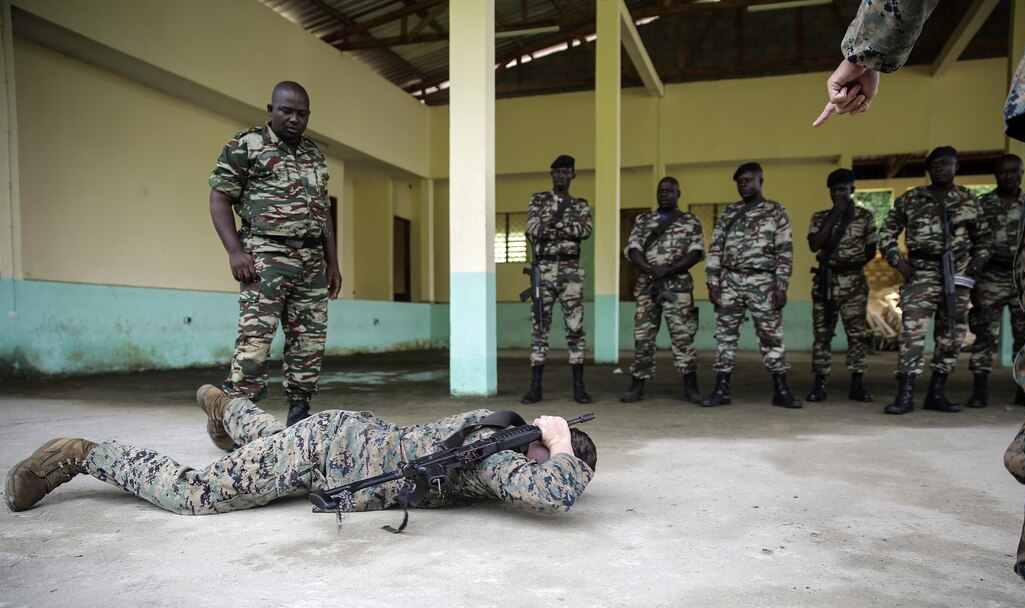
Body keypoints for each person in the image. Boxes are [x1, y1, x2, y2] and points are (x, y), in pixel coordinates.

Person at [815, 0, 1025, 608]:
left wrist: (869, 49)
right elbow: (889, 242)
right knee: (921, 340)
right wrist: (910, 271)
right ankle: (911, 391)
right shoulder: (906, 206)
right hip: (927, 277)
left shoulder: (968, 204)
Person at [4, 386, 596, 517]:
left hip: (342, 436)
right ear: (545, 448)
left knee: (268, 443)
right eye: (555, 452)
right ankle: (83, 454)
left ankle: (226, 406)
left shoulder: (500, 430)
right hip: (328, 453)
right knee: (198, 494)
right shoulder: (502, 454)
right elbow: (555, 491)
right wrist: (562, 445)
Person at [209, 81, 342, 432]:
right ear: (271, 110)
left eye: (302, 113)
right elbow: (220, 198)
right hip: (264, 255)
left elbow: (324, 211)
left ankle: (299, 413)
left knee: (309, 342)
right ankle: (236, 417)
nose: (295, 119)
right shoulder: (246, 146)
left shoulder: (314, 155)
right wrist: (234, 251)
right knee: (255, 341)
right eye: (287, 111)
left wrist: (333, 263)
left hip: (311, 260)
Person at [876, 146, 990, 415]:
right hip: (921, 272)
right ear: (928, 169)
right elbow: (887, 233)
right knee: (913, 333)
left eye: (946, 163)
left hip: (957, 274)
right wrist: (898, 262)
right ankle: (905, 394)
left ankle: (937, 392)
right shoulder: (910, 199)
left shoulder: (969, 200)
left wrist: (977, 262)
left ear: (956, 167)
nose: (941, 168)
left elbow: (985, 238)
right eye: (936, 164)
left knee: (952, 334)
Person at [704, 162, 802, 408]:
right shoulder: (729, 213)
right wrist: (713, 282)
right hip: (730, 281)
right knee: (725, 338)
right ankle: (721, 389)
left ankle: (781, 390)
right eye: (740, 181)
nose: (743, 184)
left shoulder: (775, 211)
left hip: (764, 282)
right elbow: (715, 247)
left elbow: (785, 250)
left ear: (760, 181)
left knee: (771, 336)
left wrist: (781, 285)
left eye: (748, 180)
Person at [620, 177, 707, 405]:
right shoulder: (644, 220)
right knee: (643, 337)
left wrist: (667, 269)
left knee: (683, 336)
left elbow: (696, 252)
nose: (664, 194)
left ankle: (691, 385)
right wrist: (650, 270)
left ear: (679, 193)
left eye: (669, 191)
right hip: (648, 287)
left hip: (677, 288)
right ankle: (637, 384)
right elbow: (633, 249)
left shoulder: (690, 221)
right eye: (661, 190)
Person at [520, 155, 594, 406]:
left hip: (571, 271)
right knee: (540, 327)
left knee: (575, 328)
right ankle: (535, 387)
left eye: (567, 172)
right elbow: (532, 228)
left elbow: (585, 231)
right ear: (552, 174)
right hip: (545, 270)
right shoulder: (538, 200)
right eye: (558, 172)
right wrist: (566, 227)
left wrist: (555, 223)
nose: (562, 176)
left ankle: (579, 387)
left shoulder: (581, 204)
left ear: (573, 175)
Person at [805, 168, 878, 403]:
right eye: (834, 190)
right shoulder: (819, 217)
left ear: (852, 190)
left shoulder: (865, 217)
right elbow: (815, 244)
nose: (838, 194)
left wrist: (851, 261)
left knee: (856, 335)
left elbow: (870, 251)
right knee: (822, 334)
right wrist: (833, 215)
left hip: (854, 282)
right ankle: (819, 385)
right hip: (826, 280)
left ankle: (857, 384)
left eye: (843, 190)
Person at [967, 155, 1025, 408]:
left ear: (1021, 173)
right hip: (990, 275)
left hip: (1023, 277)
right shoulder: (983, 205)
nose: (1008, 176)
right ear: (996, 174)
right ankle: (979, 390)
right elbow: (972, 245)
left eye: (1013, 171)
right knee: (984, 335)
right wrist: (975, 284)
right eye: (1003, 172)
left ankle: (1024, 391)